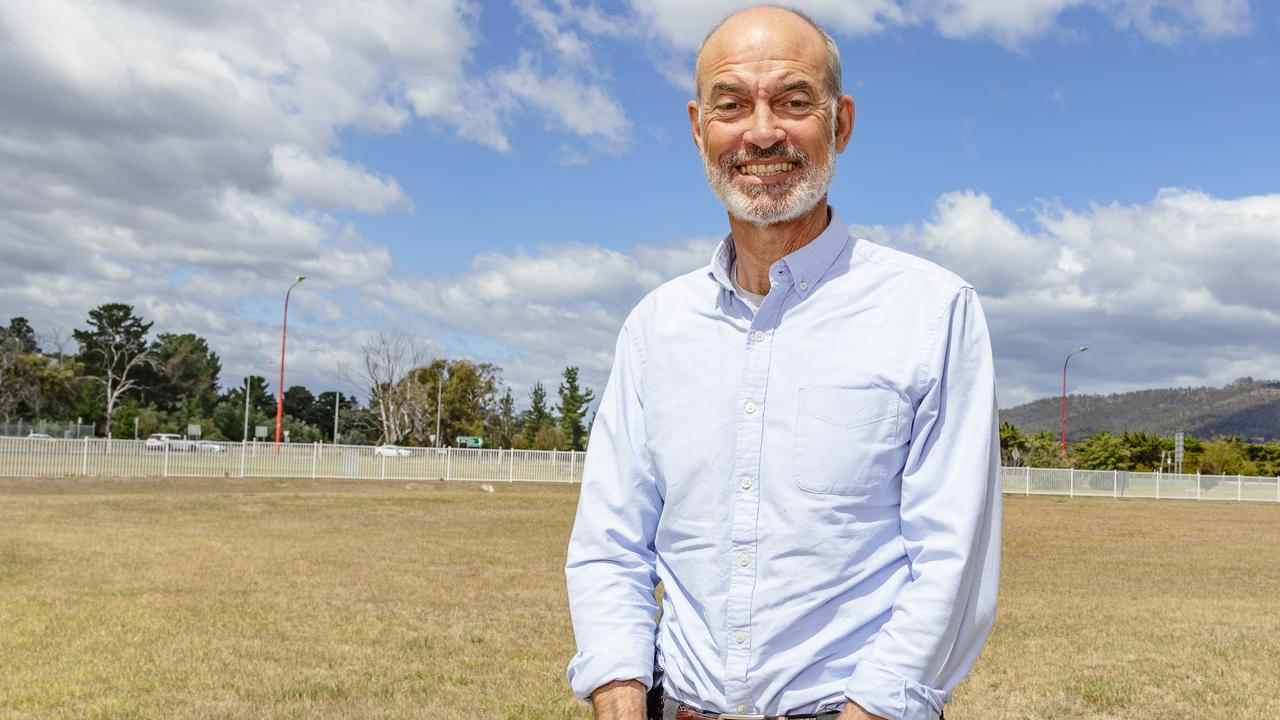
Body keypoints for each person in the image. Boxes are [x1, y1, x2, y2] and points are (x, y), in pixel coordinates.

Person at [565, 6, 1001, 720]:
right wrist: (618, 689)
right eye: (730, 105)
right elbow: (610, 541)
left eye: (794, 102)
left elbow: (952, 564)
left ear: (842, 122)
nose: (761, 131)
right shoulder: (655, 328)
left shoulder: (932, 312)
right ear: (698, 128)